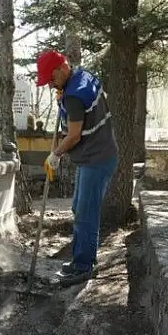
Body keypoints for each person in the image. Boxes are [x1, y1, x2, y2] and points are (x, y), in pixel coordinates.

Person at [35, 50, 118, 286]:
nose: (50, 85)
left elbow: (72, 136)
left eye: (51, 79)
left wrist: (55, 155)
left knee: (86, 213)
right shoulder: (82, 78)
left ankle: (84, 266)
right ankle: (80, 259)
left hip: (97, 159)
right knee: (78, 208)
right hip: (96, 156)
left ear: (62, 68)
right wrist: (63, 100)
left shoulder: (73, 95)